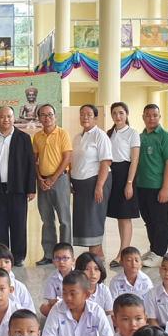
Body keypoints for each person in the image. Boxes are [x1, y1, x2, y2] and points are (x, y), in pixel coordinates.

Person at [0, 106, 36, 266]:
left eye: (9, 116)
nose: (5, 119)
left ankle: (18, 256)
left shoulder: (24, 138)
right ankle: (2, 256)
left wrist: (31, 188)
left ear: (14, 118)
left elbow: (30, 164)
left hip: (18, 189)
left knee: (19, 224)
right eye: (2, 116)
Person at [136, 104, 168, 267]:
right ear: (143, 117)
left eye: (155, 115)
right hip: (142, 186)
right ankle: (153, 249)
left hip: (158, 187)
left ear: (159, 117)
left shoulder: (166, 137)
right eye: (148, 115)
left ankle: (160, 252)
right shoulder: (140, 137)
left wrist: (165, 188)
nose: (151, 118)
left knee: (160, 220)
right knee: (149, 219)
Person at [32, 104, 73, 265]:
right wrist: (40, 178)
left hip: (60, 180)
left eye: (50, 114)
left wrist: (53, 178)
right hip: (43, 182)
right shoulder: (37, 136)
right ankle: (49, 254)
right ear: (39, 118)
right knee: (47, 220)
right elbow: (34, 160)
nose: (47, 118)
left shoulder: (63, 133)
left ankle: (66, 255)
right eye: (43, 115)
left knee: (64, 220)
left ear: (55, 116)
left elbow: (67, 158)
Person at [70, 104, 112, 257]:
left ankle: (95, 259)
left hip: (95, 182)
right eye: (82, 114)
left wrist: (99, 186)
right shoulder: (77, 137)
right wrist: (71, 180)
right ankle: (96, 258)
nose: (85, 117)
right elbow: (73, 161)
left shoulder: (100, 136)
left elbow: (106, 162)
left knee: (93, 221)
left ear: (96, 118)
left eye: (89, 114)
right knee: (85, 223)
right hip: (80, 185)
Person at [107, 102, 141, 268]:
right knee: (120, 216)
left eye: (121, 113)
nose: (118, 116)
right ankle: (123, 251)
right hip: (112, 174)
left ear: (126, 114)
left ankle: (123, 254)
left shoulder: (132, 133)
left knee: (125, 216)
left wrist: (129, 183)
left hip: (126, 174)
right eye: (114, 113)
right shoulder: (109, 133)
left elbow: (134, 160)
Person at [41, 271, 114, 336]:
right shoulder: (57, 309)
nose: (68, 298)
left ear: (86, 295)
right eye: (64, 293)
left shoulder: (96, 311)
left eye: (72, 294)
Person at [40, 242, 75, 317]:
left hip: (77, 305)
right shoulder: (51, 278)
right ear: (53, 261)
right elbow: (51, 301)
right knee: (44, 308)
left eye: (65, 258)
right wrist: (61, 303)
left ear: (73, 261)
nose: (61, 262)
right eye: (57, 258)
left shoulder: (79, 276)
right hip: (61, 306)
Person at [75, 252, 113, 316]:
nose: (93, 273)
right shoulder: (74, 291)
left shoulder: (104, 290)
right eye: (87, 269)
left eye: (96, 269)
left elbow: (109, 314)